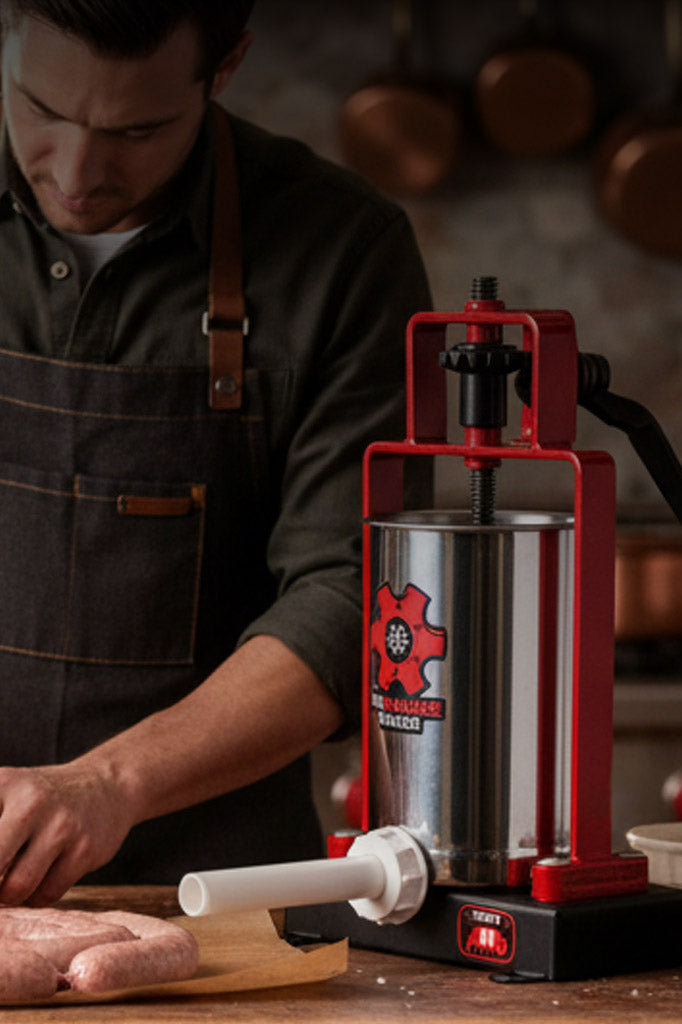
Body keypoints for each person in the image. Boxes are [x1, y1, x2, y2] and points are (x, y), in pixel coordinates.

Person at [0, 0, 432, 906]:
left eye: (138, 129)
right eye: (41, 109)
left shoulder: (342, 251)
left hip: (217, 898)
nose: (76, 173)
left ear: (224, 67)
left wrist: (111, 784)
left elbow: (356, 597)